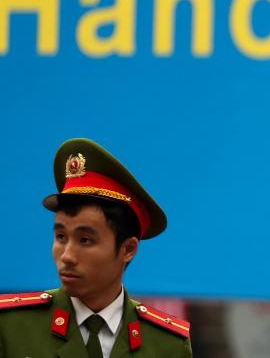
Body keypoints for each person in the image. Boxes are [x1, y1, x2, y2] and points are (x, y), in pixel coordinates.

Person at [0, 138, 192, 357]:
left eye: (85, 240)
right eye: (61, 236)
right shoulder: (11, 327)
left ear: (128, 249)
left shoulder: (167, 345)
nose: (67, 256)